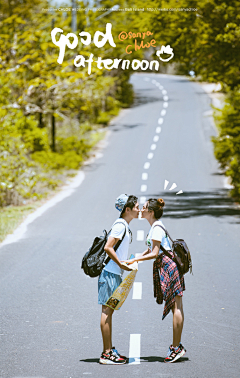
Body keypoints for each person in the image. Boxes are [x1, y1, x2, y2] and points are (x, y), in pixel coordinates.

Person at [123, 198, 186, 363]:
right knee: (176, 305)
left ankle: (176, 347)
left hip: (168, 267)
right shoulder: (155, 227)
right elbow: (150, 249)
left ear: (150, 212)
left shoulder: (156, 228)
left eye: (143, 208)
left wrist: (133, 261)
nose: (141, 210)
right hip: (167, 266)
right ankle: (176, 346)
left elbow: (155, 253)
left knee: (176, 306)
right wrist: (136, 258)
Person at [98, 194, 140, 365]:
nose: (139, 209)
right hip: (110, 273)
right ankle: (106, 353)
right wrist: (121, 265)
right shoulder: (120, 226)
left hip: (114, 273)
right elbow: (108, 247)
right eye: (136, 207)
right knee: (107, 312)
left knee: (109, 311)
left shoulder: (124, 225)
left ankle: (109, 350)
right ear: (127, 209)